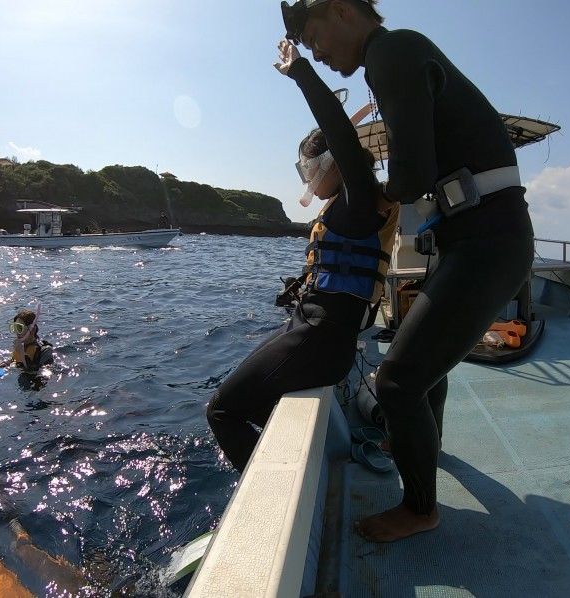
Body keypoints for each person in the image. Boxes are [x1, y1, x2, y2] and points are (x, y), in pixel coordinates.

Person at [281, 0, 535, 542]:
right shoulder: (395, 55)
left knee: (395, 382)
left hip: (488, 242)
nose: (318, 52)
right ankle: (423, 448)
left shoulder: (391, 51)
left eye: (313, 37)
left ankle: (421, 508)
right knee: (422, 374)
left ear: (343, 10)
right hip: (477, 238)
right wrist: (301, 73)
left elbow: (413, 174)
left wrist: (369, 191)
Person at [205, 38, 399, 473]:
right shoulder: (347, 207)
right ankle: (288, 472)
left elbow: (342, 135)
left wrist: (301, 73)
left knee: (220, 411)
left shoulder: (358, 199)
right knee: (255, 406)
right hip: (315, 332)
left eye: (312, 170)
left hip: (321, 339)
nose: (309, 179)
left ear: (334, 163)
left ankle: (265, 501)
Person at [0, 307, 53, 372]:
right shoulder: (21, 347)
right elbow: (15, 361)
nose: (17, 332)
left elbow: (35, 372)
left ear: (32, 329)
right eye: (15, 328)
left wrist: (22, 354)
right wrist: (7, 363)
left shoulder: (45, 351)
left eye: (19, 328)